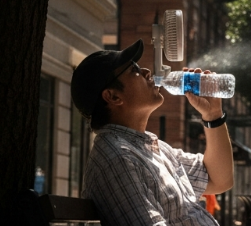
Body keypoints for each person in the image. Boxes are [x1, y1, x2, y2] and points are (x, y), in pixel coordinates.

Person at [71, 39, 234, 226]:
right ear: (113, 96)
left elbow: (220, 180)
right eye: (134, 70)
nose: (147, 72)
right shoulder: (118, 157)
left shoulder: (153, 148)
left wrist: (213, 115)